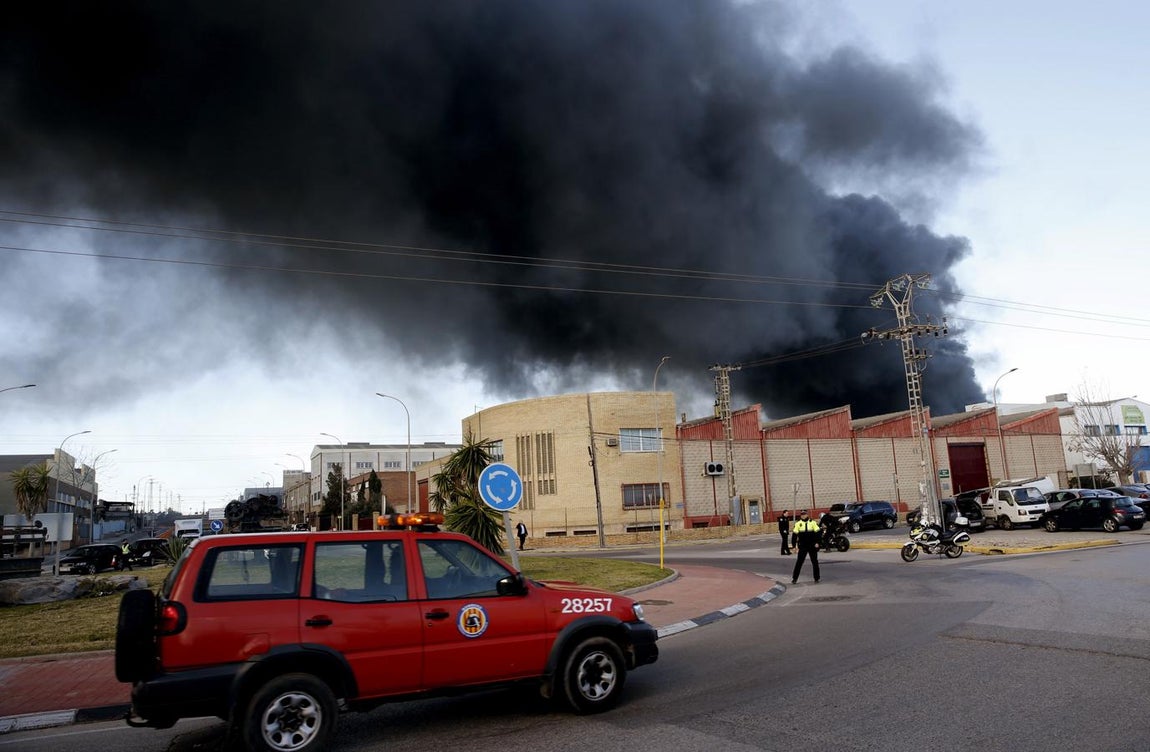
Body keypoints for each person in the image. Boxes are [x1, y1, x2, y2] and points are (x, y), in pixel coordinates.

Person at [790, 510, 820, 584]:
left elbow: (818, 533)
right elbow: (794, 535)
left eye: (804, 514)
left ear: (807, 515)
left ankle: (816, 578)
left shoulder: (813, 523)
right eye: (802, 514)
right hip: (803, 546)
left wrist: (817, 542)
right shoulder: (798, 524)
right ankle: (794, 578)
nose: (803, 516)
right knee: (799, 562)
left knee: (815, 562)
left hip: (812, 545)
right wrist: (794, 546)